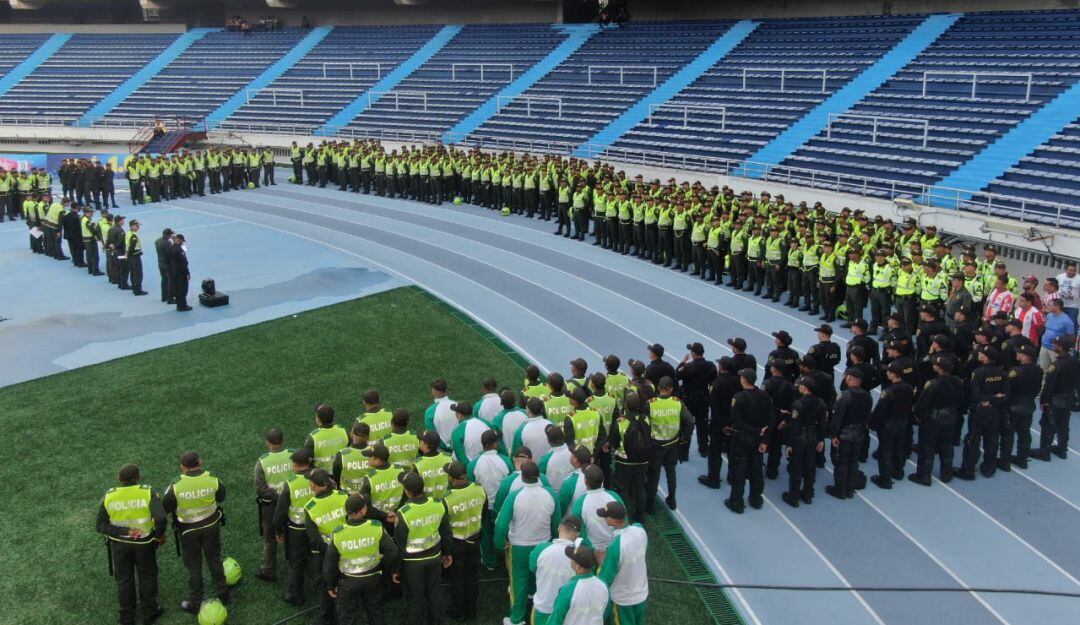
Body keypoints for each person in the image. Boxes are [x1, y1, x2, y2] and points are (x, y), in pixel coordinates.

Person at [97, 463, 166, 625]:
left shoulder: (109, 496)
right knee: (147, 576)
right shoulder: (147, 492)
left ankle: (127, 618)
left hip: (120, 545)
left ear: (118, 479)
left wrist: (125, 531)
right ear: (137, 478)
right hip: (144, 544)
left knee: (124, 579)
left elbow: (100, 526)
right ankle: (149, 612)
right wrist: (160, 535)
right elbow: (161, 518)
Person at [494, 460, 560, 625]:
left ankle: (516, 618)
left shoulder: (515, 496)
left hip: (519, 546)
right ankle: (532, 595)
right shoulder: (551, 494)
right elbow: (556, 521)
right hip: (543, 544)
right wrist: (552, 540)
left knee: (518, 581)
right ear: (539, 476)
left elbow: (501, 524)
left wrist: (500, 544)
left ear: (522, 478)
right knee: (538, 576)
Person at [162, 452, 228, 613]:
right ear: (200, 461)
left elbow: (166, 507)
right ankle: (223, 593)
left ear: (182, 467)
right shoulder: (213, 479)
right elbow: (221, 497)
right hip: (211, 525)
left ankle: (196, 601)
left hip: (188, 530)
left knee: (194, 566)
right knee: (215, 559)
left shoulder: (175, 486)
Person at [323, 494, 400, 625]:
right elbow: (393, 551)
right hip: (373, 578)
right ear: (363, 510)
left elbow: (329, 563)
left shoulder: (338, 533)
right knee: (376, 612)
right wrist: (382, 565)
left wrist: (330, 584)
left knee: (348, 617)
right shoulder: (375, 527)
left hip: (348, 582)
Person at [394, 471, 452, 625]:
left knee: (416, 597)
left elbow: (400, 544)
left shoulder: (403, 513)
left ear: (407, 491)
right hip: (434, 557)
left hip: (412, 562)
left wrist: (397, 569)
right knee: (434, 593)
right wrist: (447, 553)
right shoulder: (437, 504)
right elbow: (445, 531)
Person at [442, 461, 487, 621]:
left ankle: (459, 612)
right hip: (474, 540)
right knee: (472, 576)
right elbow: (484, 513)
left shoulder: (447, 499)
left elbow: (445, 529)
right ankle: (472, 610)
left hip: (456, 543)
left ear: (451, 478)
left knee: (457, 579)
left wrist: (446, 551)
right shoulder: (479, 490)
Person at [725, 369, 774, 514]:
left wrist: (754, 431)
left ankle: (736, 502)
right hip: (758, 441)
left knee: (739, 470)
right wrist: (765, 440)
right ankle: (756, 499)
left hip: (742, 440)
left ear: (744, 380)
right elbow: (771, 420)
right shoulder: (765, 396)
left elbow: (737, 421)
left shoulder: (739, 397)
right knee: (756, 470)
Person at [909, 357, 964, 486]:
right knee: (947, 445)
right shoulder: (957, 381)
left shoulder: (933, 384)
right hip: (950, 416)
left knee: (927, 446)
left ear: (938, 368)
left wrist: (918, 414)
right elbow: (961, 399)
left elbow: (923, 402)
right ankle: (946, 473)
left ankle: (924, 475)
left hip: (932, 418)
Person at [304, 469, 348, 625]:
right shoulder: (342, 495)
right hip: (346, 548)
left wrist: (329, 552)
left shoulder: (310, 507)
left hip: (325, 553)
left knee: (325, 584)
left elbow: (314, 538)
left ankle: (328, 618)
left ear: (314, 486)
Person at [272, 449, 315, 605]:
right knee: (317, 558)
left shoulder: (290, 485)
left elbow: (280, 512)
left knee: (296, 563)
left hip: (297, 530)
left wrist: (278, 530)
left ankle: (295, 595)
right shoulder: (319, 477)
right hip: (317, 528)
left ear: (295, 465)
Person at [467, 431, 514, 570]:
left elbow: (471, 486)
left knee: (487, 533)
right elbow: (512, 481)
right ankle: (509, 561)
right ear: (495, 444)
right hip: (503, 505)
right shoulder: (505, 460)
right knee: (507, 531)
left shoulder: (474, 463)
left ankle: (490, 562)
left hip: (484, 506)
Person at [596, 501, 648, 625]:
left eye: (606, 516)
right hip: (641, 593)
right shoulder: (640, 530)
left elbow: (606, 577)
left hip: (622, 600)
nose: (604, 518)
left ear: (614, 521)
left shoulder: (616, 546)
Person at [646, 376, 693, 510]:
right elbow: (690, 421)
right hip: (673, 444)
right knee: (671, 472)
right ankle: (672, 499)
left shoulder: (651, 404)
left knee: (654, 475)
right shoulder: (677, 403)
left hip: (656, 445)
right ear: (671, 389)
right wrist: (685, 437)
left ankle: (650, 504)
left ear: (658, 388)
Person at [1032, 334, 1080, 461]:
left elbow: (1049, 385)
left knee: (1048, 425)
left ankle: (1044, 451)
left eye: (1055, 344)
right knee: (1063, 425)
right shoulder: (1074, 362)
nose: (1053, 346)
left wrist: (1043, 401)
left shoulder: (1057, 365)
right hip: (1068, 397)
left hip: (1055, 399)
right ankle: (1062, 449)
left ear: (1060, 347)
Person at [254, 428, 292, 582]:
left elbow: (260, 488)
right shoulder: (293, 454)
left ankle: (268, 569)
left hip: (271, 506)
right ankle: (297, 561)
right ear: (283, 441)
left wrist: (277, 497)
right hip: (293, 502)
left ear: (267, 444)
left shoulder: (262, 462)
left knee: (270, 538)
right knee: (293, 531)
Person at [827, 369, 872, 499]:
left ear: (850, 378)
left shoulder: (845, 395)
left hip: (845, 433)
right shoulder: (867, 396)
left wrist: (834, 435)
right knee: (853, 461)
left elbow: (838, 417)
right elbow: (866, 417)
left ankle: (840, 490)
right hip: (858, 433)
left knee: (842, 461)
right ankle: (850, 489)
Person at [529, 516, 581, 625]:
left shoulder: (541, 549)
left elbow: (532, 567)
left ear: (559, 528)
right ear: (577, 535)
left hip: (543, 607)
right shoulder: (581, 556)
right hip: (568, 610)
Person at [869, 363, 913, 489]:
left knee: (885, 451)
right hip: (903, 422)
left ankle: (885, 479)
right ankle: (898, 472)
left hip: (889, 424)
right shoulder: (909, 388)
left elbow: (880, 409)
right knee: (899, 448)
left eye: (888, 372)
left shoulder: (889, 391)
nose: (887, 373)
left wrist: (872, 423)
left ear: (893, 374)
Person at [608, 392, 651, 522]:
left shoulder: (621, 422)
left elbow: (614, 442)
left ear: (625, 405)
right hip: (643, 461)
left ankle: (621, 516)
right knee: (640, 488)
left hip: (624, 462)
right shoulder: (646, 419)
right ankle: (639, 515)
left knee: (621, 489)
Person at [699, 356, 740, 489]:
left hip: (719, 424)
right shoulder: (739, 381)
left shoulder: (717, 383)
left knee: (715, 451)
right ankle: (733, 477)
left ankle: (713, 479)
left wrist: (722, 425)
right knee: (732, 451)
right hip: (734, 422)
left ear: (721, 367)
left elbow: (714, 406)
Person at [675, 342, 716, 459]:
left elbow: (676, 375)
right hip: (703, 399)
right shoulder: (711, 366)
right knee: (702, 425)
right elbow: (714, 383)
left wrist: (683, 362)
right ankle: (703, 449)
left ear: (693, 353)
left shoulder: (688, 367)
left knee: (686, 425)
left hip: (689, 400)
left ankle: (684, 453)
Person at [1004, 344, 1043, 469]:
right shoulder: (1038, 370)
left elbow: (1007, 388)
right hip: (1029, 404)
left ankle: (1005, 460)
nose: (1017, 354)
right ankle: (1022, 459)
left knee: (1008, 434)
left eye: (1020, 353)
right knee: (1024, 433)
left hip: (1014, 404)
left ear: (1026, 357)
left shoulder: (1015, 371)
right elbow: (1037, 388)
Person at [549, 545, 609, 625]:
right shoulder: (603, 585)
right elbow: (606, 614)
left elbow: (556, 619)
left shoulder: (568, 589)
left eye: (572, 559)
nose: (570, 560)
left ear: (578, 567)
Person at [306, 403, 349, 472]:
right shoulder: (343, 431)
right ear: (333, 418)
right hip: (342, 473)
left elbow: (307, 461)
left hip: (322, 478)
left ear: (318, 419)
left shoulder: (313, 437)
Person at [413, 430, 452, 501]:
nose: (419, 442)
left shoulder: (418, 465)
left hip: (427, 504)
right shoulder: (448, 459)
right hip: (445, 501)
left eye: (421, 441)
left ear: (425, 445)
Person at [1040, 299, 1076, 370]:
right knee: (1043, 369)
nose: (1047, 307)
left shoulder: (1067, 321)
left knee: (1056, 370)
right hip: (1044, 347)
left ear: (1057, 307)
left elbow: (1071, 338)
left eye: (1050, 305)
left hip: (1055, 350)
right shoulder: (1049, 316)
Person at [424, 379, 456, 452]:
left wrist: (445, 446)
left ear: (434, 391)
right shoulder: (457, 406)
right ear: (446, 390)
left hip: (441, 451)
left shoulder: (430, 411)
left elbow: (432, 435)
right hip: (457, 448)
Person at [539, 427, 575, 491]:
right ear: (563, 437)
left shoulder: (545, 460)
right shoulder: (573, 453)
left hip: (554, 495)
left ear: (548, 441)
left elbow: (540, 479)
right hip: (573, 492)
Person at [167, 233, 191, 311]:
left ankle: (178, 302)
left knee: (177, 288)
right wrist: (187, 273)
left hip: (172, 272)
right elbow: (183, 263)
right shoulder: (180, 250)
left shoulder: (170, 248)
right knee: (182, 289)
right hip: (180, 273)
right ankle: (182, 306)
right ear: (180, 240)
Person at [126, 219, 147, 296]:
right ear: (132, 226)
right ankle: (138, 290)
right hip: (135, 255)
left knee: (133, 272)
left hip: (131, 255)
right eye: (136, 225)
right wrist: (130, 253)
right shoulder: (133, 236)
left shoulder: (129, 233)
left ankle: (134, 287)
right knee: (138, 273)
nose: (138, 227)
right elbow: (132, 247)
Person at [1056, 261, 1078, 326]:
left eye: (1074, 271)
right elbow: (1054, 287)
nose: (1072, 272)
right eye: (1070, 270)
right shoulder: (1059, 277)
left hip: (1072, 306)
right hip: (1059, 305)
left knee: (1071, 323)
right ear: (1066, 270)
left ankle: (1072, 336)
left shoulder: (1079, 279)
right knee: (1059, 322)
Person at [154, 228, 174, 303]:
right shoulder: (168, 243)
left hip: (160, 263)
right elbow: (171, 254)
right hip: (167, 265)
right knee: (170, 281)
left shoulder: (157, 241)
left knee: (164, 280)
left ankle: (164, 296)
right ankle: (170, 298)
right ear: (169, 235)